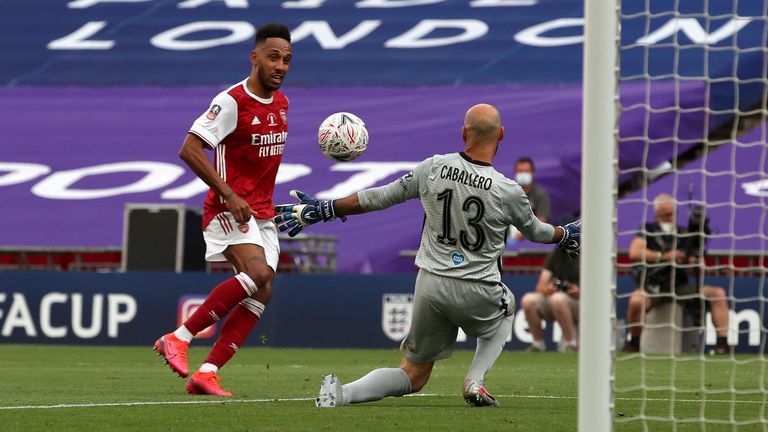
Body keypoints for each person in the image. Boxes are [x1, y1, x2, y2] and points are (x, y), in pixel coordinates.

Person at [273, 103, 582, 407]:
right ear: (501, 134)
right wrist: (564, 235)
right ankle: (475, 380)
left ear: (463, 133)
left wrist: (327, 209)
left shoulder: (433, 167)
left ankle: (342, 394)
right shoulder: (508, 190)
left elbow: (379, 196)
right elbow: (536, 232)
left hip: (430, 286)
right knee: (508, 307)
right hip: (479, 286)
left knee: (413, 375)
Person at [153, 23, 293, 396]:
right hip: (228, 209)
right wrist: (229, 194)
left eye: (287, 60)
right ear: (255, 57)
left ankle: (207, 372)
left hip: (260, 213)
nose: (280, 65)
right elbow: (190, 148)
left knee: (263, 290)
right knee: (257, 273)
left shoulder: (282, 104)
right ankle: (178, 337)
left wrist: (269, 205)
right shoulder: (231, 101)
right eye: (273, 57)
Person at [622, 193, 730, 354]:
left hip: (680, 286)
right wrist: (664, 256)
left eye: (671, 214)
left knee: (717, 293)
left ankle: (723, 344)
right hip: (653, 287)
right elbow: (634, 252)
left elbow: (697, 258)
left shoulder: (684, 233)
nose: (668, 218)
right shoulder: (647, 230)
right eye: (664, 215)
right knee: (636, 301)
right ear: (656, 214)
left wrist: (692, 260)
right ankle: (635, 341)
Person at [521, 247, 580, 352]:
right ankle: (538, 344)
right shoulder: (557, 253)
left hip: (584, 302)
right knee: (528, 300)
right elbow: (540, 286)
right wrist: (549, 289)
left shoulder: (590, 253)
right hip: (559, 299)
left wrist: (580, 291)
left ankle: (570, 344)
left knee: (558, 299)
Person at [507, 157, 551, 243]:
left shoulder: (540, 194)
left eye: (526, 171)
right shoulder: (508, 193)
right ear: (515, 173)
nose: (523, 174)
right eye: (520, 171)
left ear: (533, 173)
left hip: (531, 241)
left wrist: (522, 234)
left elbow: (542, 221)